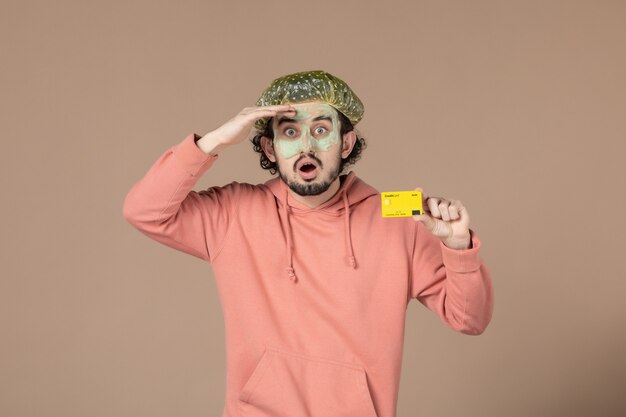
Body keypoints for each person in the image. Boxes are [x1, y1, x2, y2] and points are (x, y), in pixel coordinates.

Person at [122, 70, 494, 417]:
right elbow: (144, 211)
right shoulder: (232, 214)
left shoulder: (397, 223)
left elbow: (470, 319)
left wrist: (458, 247)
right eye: (289, 133)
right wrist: (212, 141)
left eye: (320, 130)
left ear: (346, 142)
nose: (306, 147)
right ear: (269, 149)